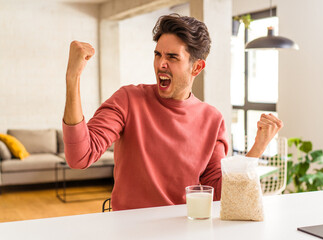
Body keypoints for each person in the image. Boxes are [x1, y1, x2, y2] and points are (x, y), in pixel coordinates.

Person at [62, 14, 283, 211]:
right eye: (158, 55)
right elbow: (79, 157)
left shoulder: (212, 120)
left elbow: (217, 192)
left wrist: (258, 147)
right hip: (128, 231)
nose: (161, 64)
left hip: (184, 229)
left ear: (196, 68)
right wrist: (73, 79)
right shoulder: (128, 100)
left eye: (172, 57)